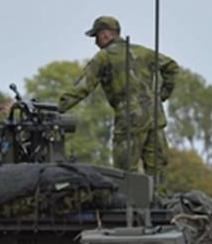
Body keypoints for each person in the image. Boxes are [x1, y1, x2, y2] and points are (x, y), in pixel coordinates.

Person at [57, 15, 179, 177]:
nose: (96, 42)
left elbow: (82, 87)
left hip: (129, 119)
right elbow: (172, 67)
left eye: (96, 36)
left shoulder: (104, 57)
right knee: (157, 172)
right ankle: (159, 201)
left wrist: (56, 109)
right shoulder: (143, 52)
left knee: (126, 174)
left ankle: (131, 202)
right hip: (155, 118)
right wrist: (161, 95)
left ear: (105, 34)